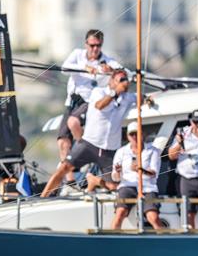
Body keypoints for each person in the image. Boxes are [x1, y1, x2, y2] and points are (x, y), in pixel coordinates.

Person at [42, 69, 138, 197]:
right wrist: (115, 92)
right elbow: (100, 105)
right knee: (63, 169)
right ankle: (43, 196)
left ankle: (96, 181)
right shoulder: (99, 92)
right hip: (89, 144)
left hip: (109, 151)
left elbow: (140, 98)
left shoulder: (127, 98)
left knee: (117, 187)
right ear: (112, 81)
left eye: (125, 81)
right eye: (121, 80)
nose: (124, 83)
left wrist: (146, 99)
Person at [57, 29, 123, 183]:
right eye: (92, 45)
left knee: (73, 122)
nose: (95, 49)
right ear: (86, 44)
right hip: (73, 101)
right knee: (62, 141)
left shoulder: (106, 61)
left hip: (90, 102)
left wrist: (111, 71)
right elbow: (64, 68)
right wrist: (84, 68)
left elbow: (123, 72)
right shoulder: (77, 55)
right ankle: (70, 179)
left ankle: (86, 150)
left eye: (98, 46)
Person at [108, 121, 164, 230]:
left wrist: (141, 170)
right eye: (131, 134)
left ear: (142, 134)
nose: (134, 136)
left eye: (137, 133)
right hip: (126, 186)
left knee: (153, 217)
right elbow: (115, 178)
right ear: (127, 136)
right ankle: (112, 242)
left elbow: (154, 174)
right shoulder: (121, 152)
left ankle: (168, 241)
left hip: (147, 187)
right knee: (120, 214)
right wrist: (117, 171)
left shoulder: (153, 151)